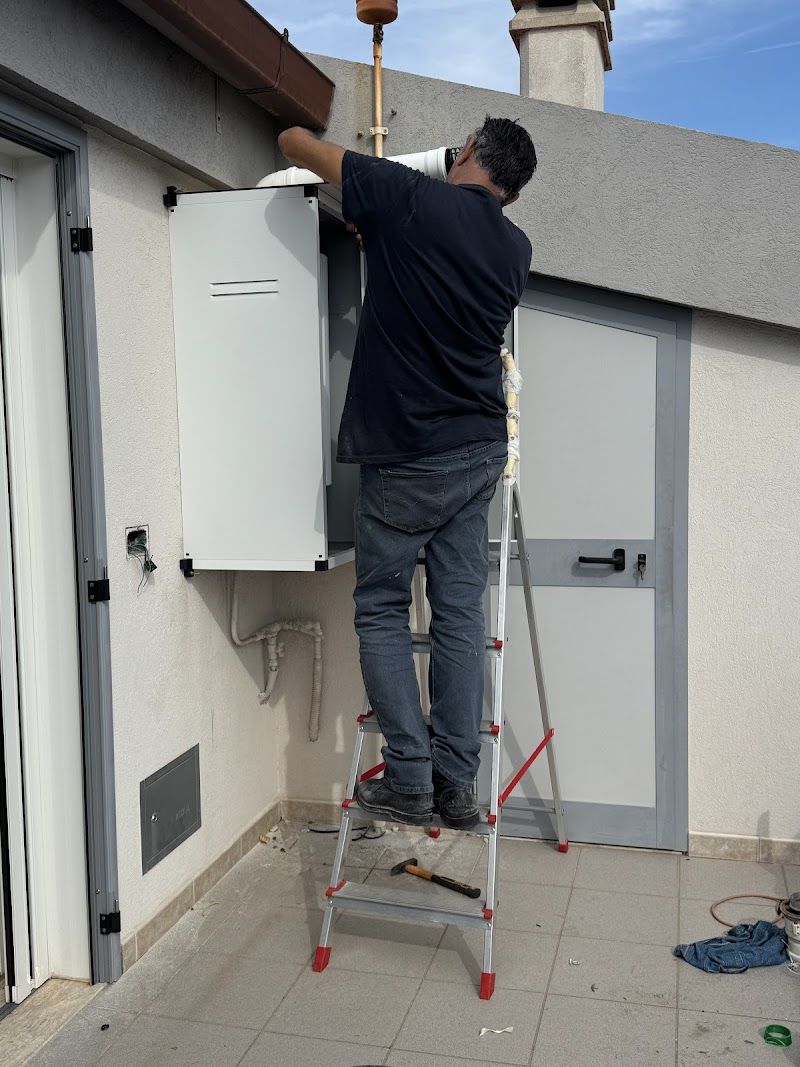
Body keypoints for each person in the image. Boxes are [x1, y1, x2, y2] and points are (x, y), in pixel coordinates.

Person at [278, 116, 536, 829]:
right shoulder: (516, 248)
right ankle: (458, 784)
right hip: (478, 450)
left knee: (382, 607)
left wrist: (399, 191)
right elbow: (444, 272)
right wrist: (384, 227)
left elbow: (294, 142)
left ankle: (410, 777)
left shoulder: (407, 197)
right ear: (513, 196)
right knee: (458, 612)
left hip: (405, 456)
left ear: (470, 148)